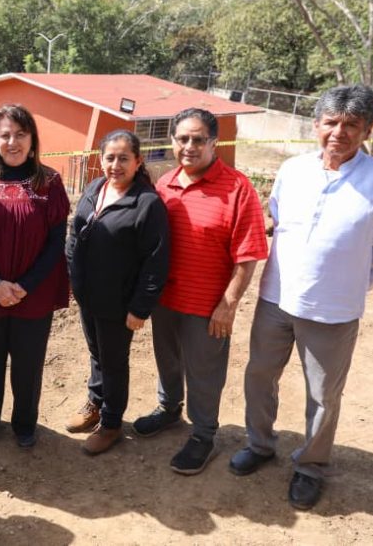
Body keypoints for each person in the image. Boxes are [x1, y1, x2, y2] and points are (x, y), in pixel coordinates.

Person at [229, 85, 373, 510]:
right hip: (276, 296)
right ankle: (259, 444)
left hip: (335, 307)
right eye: (331, 122)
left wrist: (349, 283)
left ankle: (310, 466)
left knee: (324, 394)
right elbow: (279, 221)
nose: (339, 133)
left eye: (351, 125)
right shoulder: (292, 170)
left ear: (368, 129)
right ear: (316, 125)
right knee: (259, 375)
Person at [132, 108, 268, 475]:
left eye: (197, 139)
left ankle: (203, 434)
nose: (188, 146)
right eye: (182, 139)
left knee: (205, 370)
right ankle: (169, 408)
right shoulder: (165, 185)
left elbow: (249, 252)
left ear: (214, 142)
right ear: (173, 141)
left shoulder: (238, 188)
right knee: (168, 359)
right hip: (166, 299)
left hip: (208, 305)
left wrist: (228, 305)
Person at [0, 104, 70, 448]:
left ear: (32, 139)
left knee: (28, 364)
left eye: (20, 134)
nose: (13, 142)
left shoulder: (49, 182)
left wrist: (24, 286)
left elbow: (56, 242)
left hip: (33, 293)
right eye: (5, 134)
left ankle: (24, 423)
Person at [65, 130, 170, 455]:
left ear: (138, 161)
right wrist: (74, 281)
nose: (115, 164)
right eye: (109, 157)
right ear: (101, 159)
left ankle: (111, 424)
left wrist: (140, 308)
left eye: (124, 158)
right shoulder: (96, 188)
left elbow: (156, 261)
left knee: (113, 362)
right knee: (97, 354)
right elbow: (75, 231)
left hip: (119, 302)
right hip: (89, 296)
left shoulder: (147, 204)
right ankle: (95, 402)